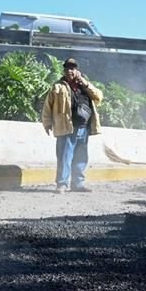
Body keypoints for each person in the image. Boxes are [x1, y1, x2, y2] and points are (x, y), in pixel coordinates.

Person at [41, 58, 104, 193]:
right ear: (64, 71)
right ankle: (62, 184)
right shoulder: (58, 86)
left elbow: (99, 97)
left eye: (72, 68)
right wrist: (47, 123)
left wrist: (85, 83)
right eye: (67, 68)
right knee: (65, 157)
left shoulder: (84, 85)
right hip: (66, 128)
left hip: (83, 128)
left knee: (81, 158)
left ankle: (78, 184)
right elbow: (48, 106)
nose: (70, 71)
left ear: (77, 70)